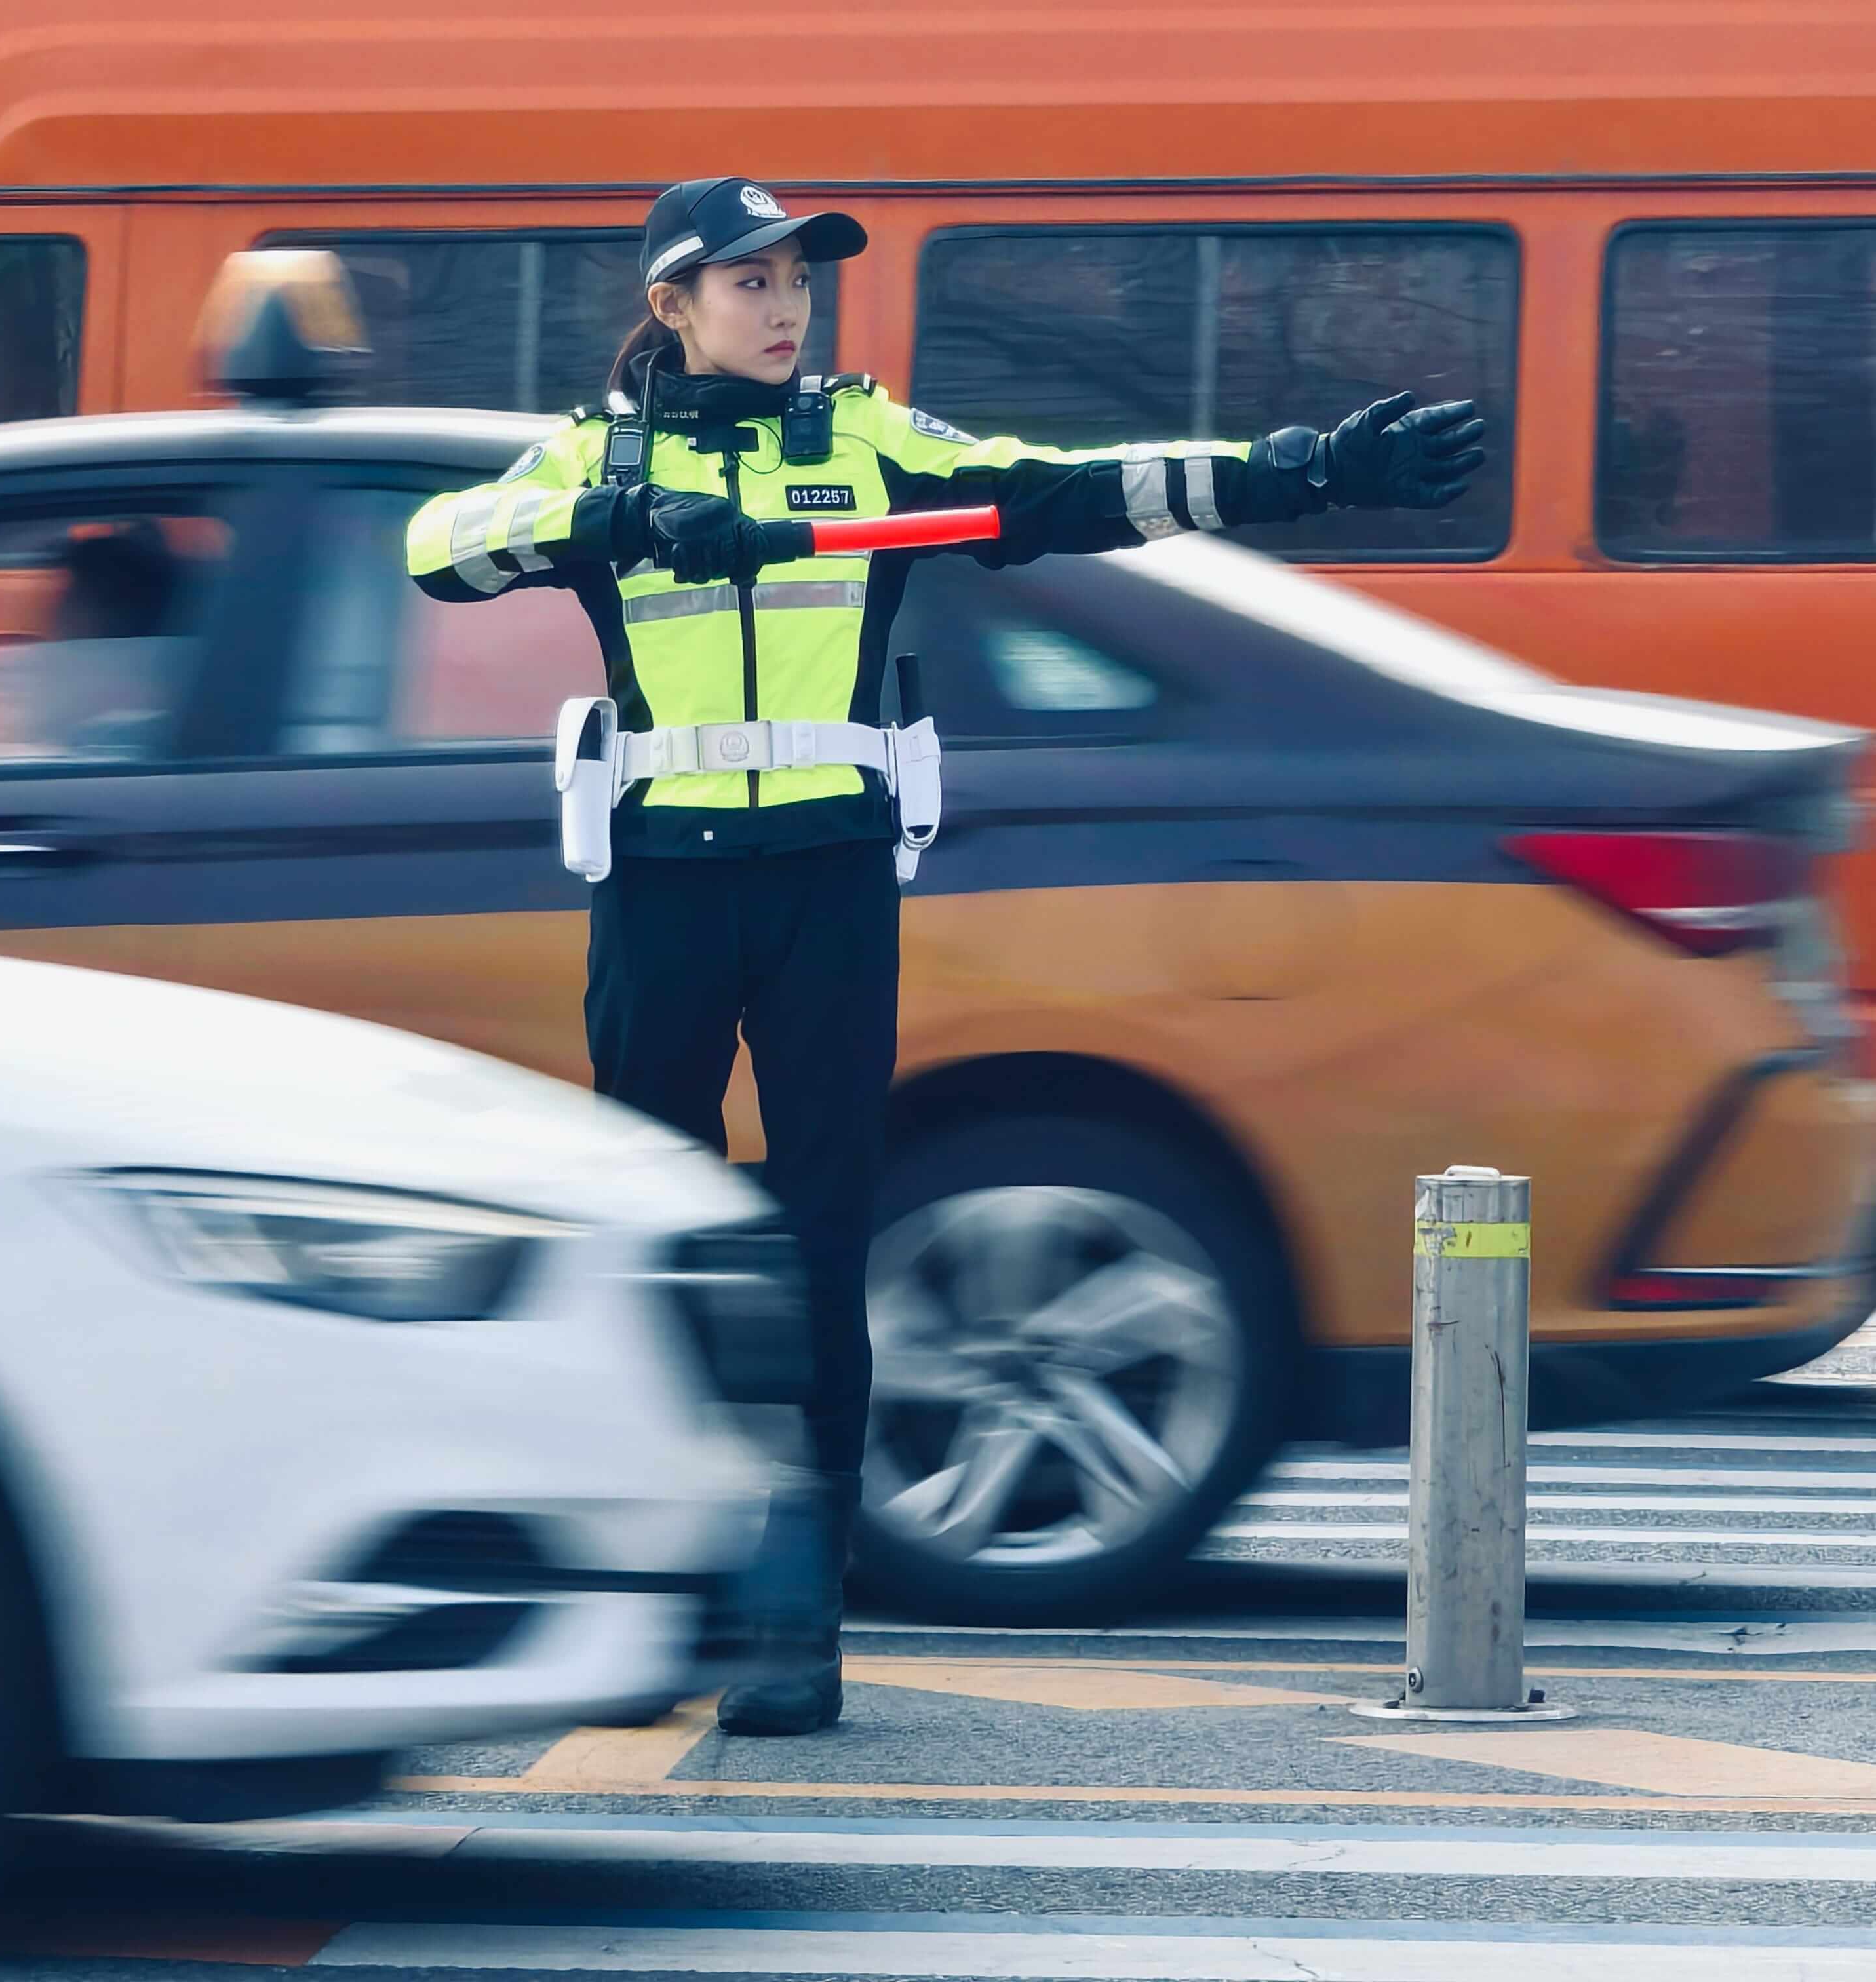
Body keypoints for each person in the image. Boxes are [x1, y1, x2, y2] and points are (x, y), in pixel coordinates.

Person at [406, 175, 1485, 1736]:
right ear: (673, 306)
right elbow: (441, 544)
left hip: (832, 880)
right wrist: (619, 516)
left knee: (831, 1231)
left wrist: (1300, 473)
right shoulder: (597, 453)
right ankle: (663, 1561)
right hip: (664, 885)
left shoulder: (872, 448)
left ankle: (798, 1601)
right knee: (654, 1224)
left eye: (797, 283)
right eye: (750, 284)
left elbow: (1074, 492)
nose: (786, 308)